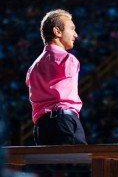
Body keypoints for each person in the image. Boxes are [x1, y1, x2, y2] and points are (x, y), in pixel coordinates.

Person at [26, 9, 87, 145]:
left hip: (40, 126)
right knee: (79, 164)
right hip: (64, 120)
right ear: (57, 32)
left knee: (51, 164)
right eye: (72, 29)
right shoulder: (68, 59)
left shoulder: (33, 67)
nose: (75, 35)